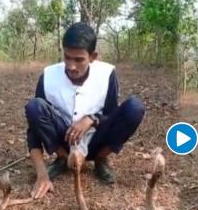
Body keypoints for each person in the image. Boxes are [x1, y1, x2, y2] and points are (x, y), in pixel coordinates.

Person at [25, 22, 145, 199]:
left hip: (96, 140)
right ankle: (63, 159)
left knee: (135, 107)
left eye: (79, 59)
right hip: (63, 139)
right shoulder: (49, 75)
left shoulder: (107, 74)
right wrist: (41, 174)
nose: (71, 66)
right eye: (67, 57)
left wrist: (91, 119)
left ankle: (100, 160)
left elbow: (111, 115)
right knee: (34, 106)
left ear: (93, 56)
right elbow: (34, 127)